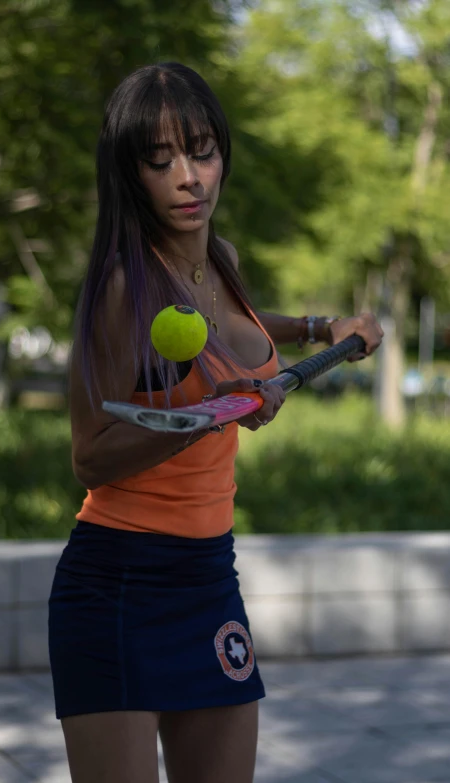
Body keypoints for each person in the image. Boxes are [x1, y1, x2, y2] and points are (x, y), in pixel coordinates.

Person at [48, 61, 383, 783]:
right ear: (129, 174)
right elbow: (90, 455)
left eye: (201, 151)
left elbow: (239, 327)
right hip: (117, 583)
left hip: (207, 577)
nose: (189, 176)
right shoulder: (121, 288)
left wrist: (325, 327)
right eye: (160, 159)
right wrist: (210, 415)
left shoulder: (220, 263)